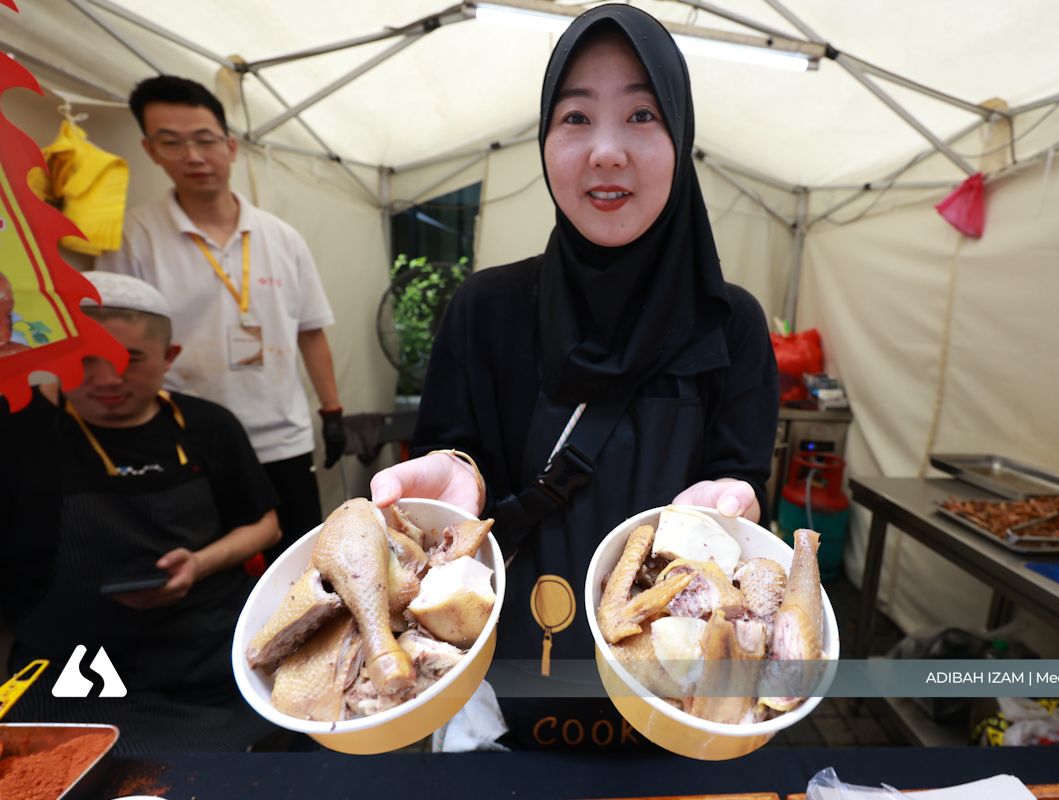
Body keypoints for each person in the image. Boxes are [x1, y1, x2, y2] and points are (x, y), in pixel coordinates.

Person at [370, 5, 779, 750]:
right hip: (508, 683)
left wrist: (739, 503)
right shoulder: (485, 309)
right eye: (576, 117)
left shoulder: (731, 325)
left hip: (680, 702)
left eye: (642, 115)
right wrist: (456, 472)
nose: (607, 151)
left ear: (681, 136)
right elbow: (457, 467)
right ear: (545, 139)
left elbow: (744, 486)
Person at [0, 272, 280, 752]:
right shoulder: (17, 430)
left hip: (208, 656)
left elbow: (265, 525)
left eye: (130, 359)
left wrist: (198, 565)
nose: (108, 379)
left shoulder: (208, 425)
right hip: (74, 667)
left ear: (169, 356)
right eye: (85, 359)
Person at [96, 75, 344, 562]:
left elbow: (310, 331)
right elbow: (116, 341)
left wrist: (332, 413)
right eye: (172, 142)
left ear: (230, 147)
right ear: (150, 150)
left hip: (282, 436)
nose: (193, 156)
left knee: (304, 568)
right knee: (206, 571)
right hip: (185, 440)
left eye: (205, 140)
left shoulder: (282, 238)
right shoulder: (134, 237)